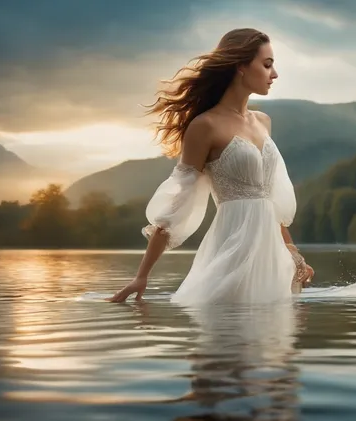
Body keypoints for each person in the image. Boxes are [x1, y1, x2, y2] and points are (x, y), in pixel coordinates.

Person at [108, 28, 314, 305]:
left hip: (271, 259)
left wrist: (294, 256)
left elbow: (269, 199)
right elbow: (178, 204)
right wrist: (142, 276)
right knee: (224, 342)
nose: (274, 74)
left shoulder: (263, 121)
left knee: (273, 344)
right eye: (267, 65)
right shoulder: (204, 127)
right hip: (231, 252)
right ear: (240, 66)